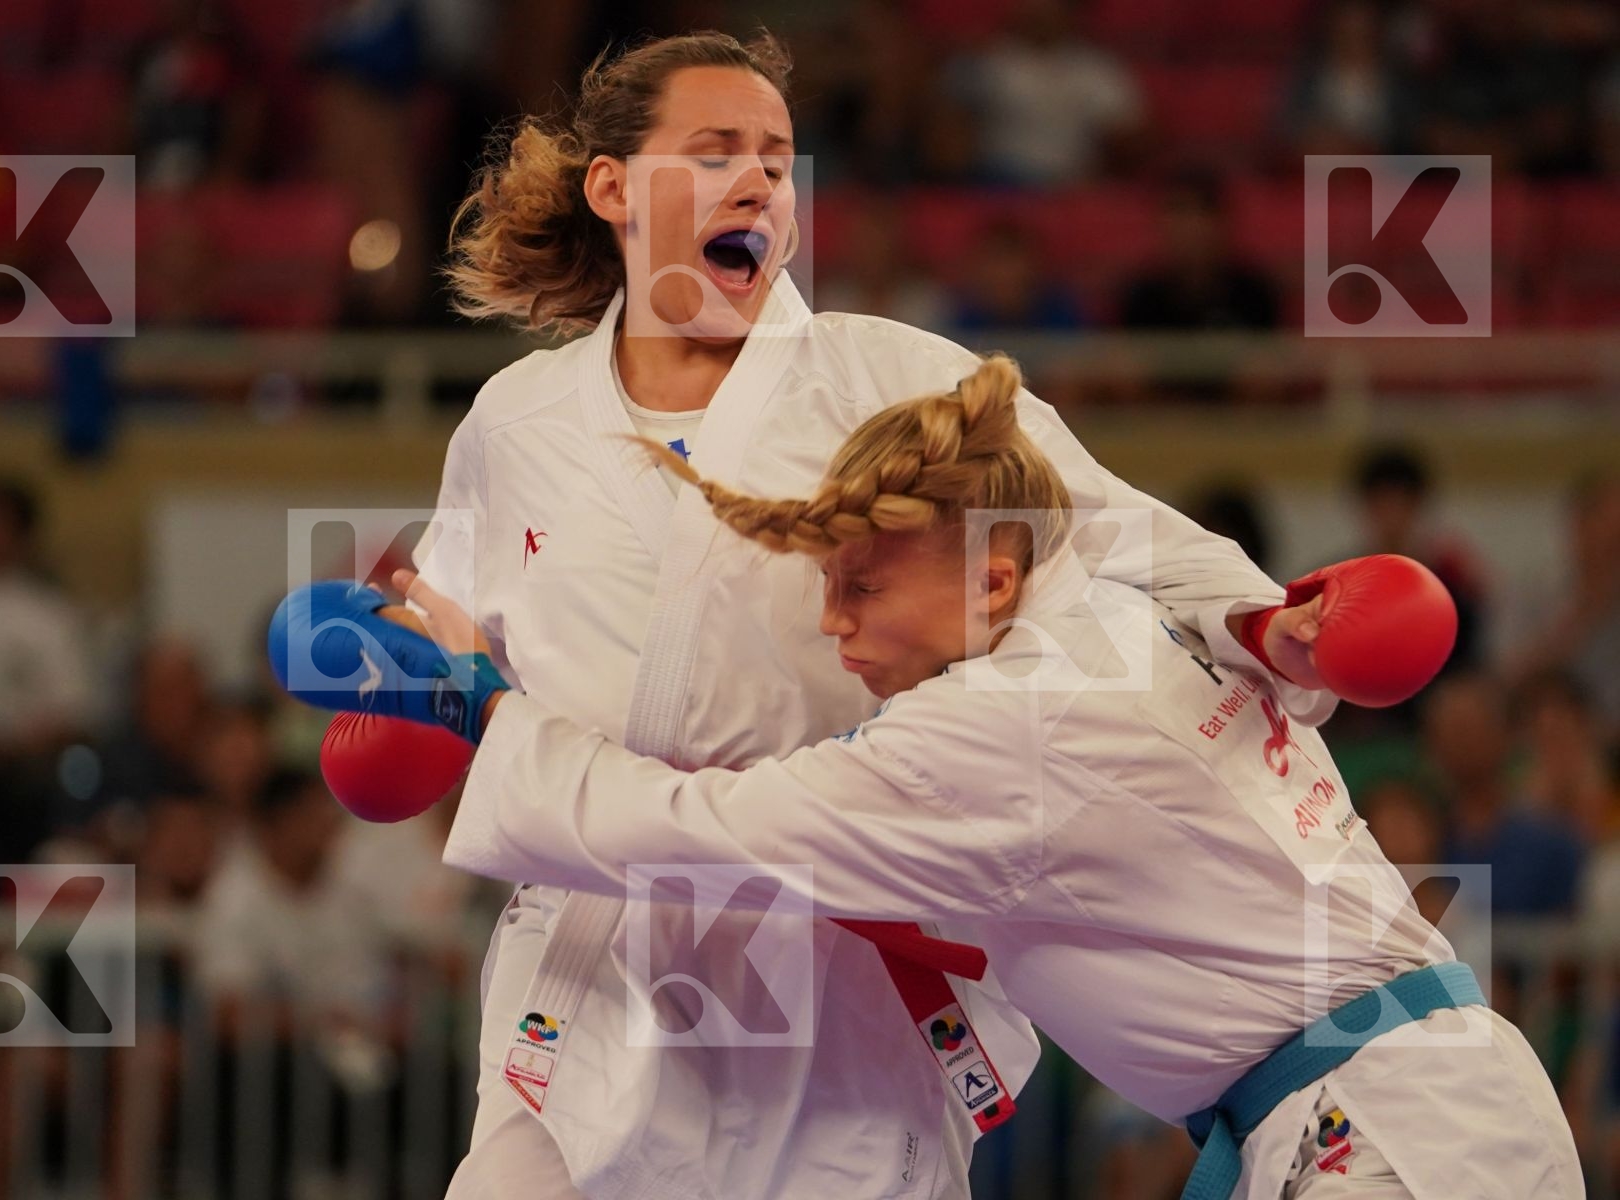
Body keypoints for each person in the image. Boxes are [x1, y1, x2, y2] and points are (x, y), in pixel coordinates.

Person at [310, 31, 1339, 1200]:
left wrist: (1268, 626)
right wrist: (402, 706)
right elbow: (453, 646)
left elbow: (1121, 538)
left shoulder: (894, 380)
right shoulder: (514, 422)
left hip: (839, 942)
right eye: (714, 153)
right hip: (599, 951)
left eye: (776, 159)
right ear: (612, 189)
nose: (758, 182)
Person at [375, 355, 1577, 1199]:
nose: (831, 624)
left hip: (1387, 1132)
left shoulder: (1003, 725)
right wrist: (1273, 624)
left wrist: (494, 712)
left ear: (993, 577)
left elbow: (704, 829)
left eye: (862, 585)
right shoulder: (1121, 615)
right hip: (1408, 1109)